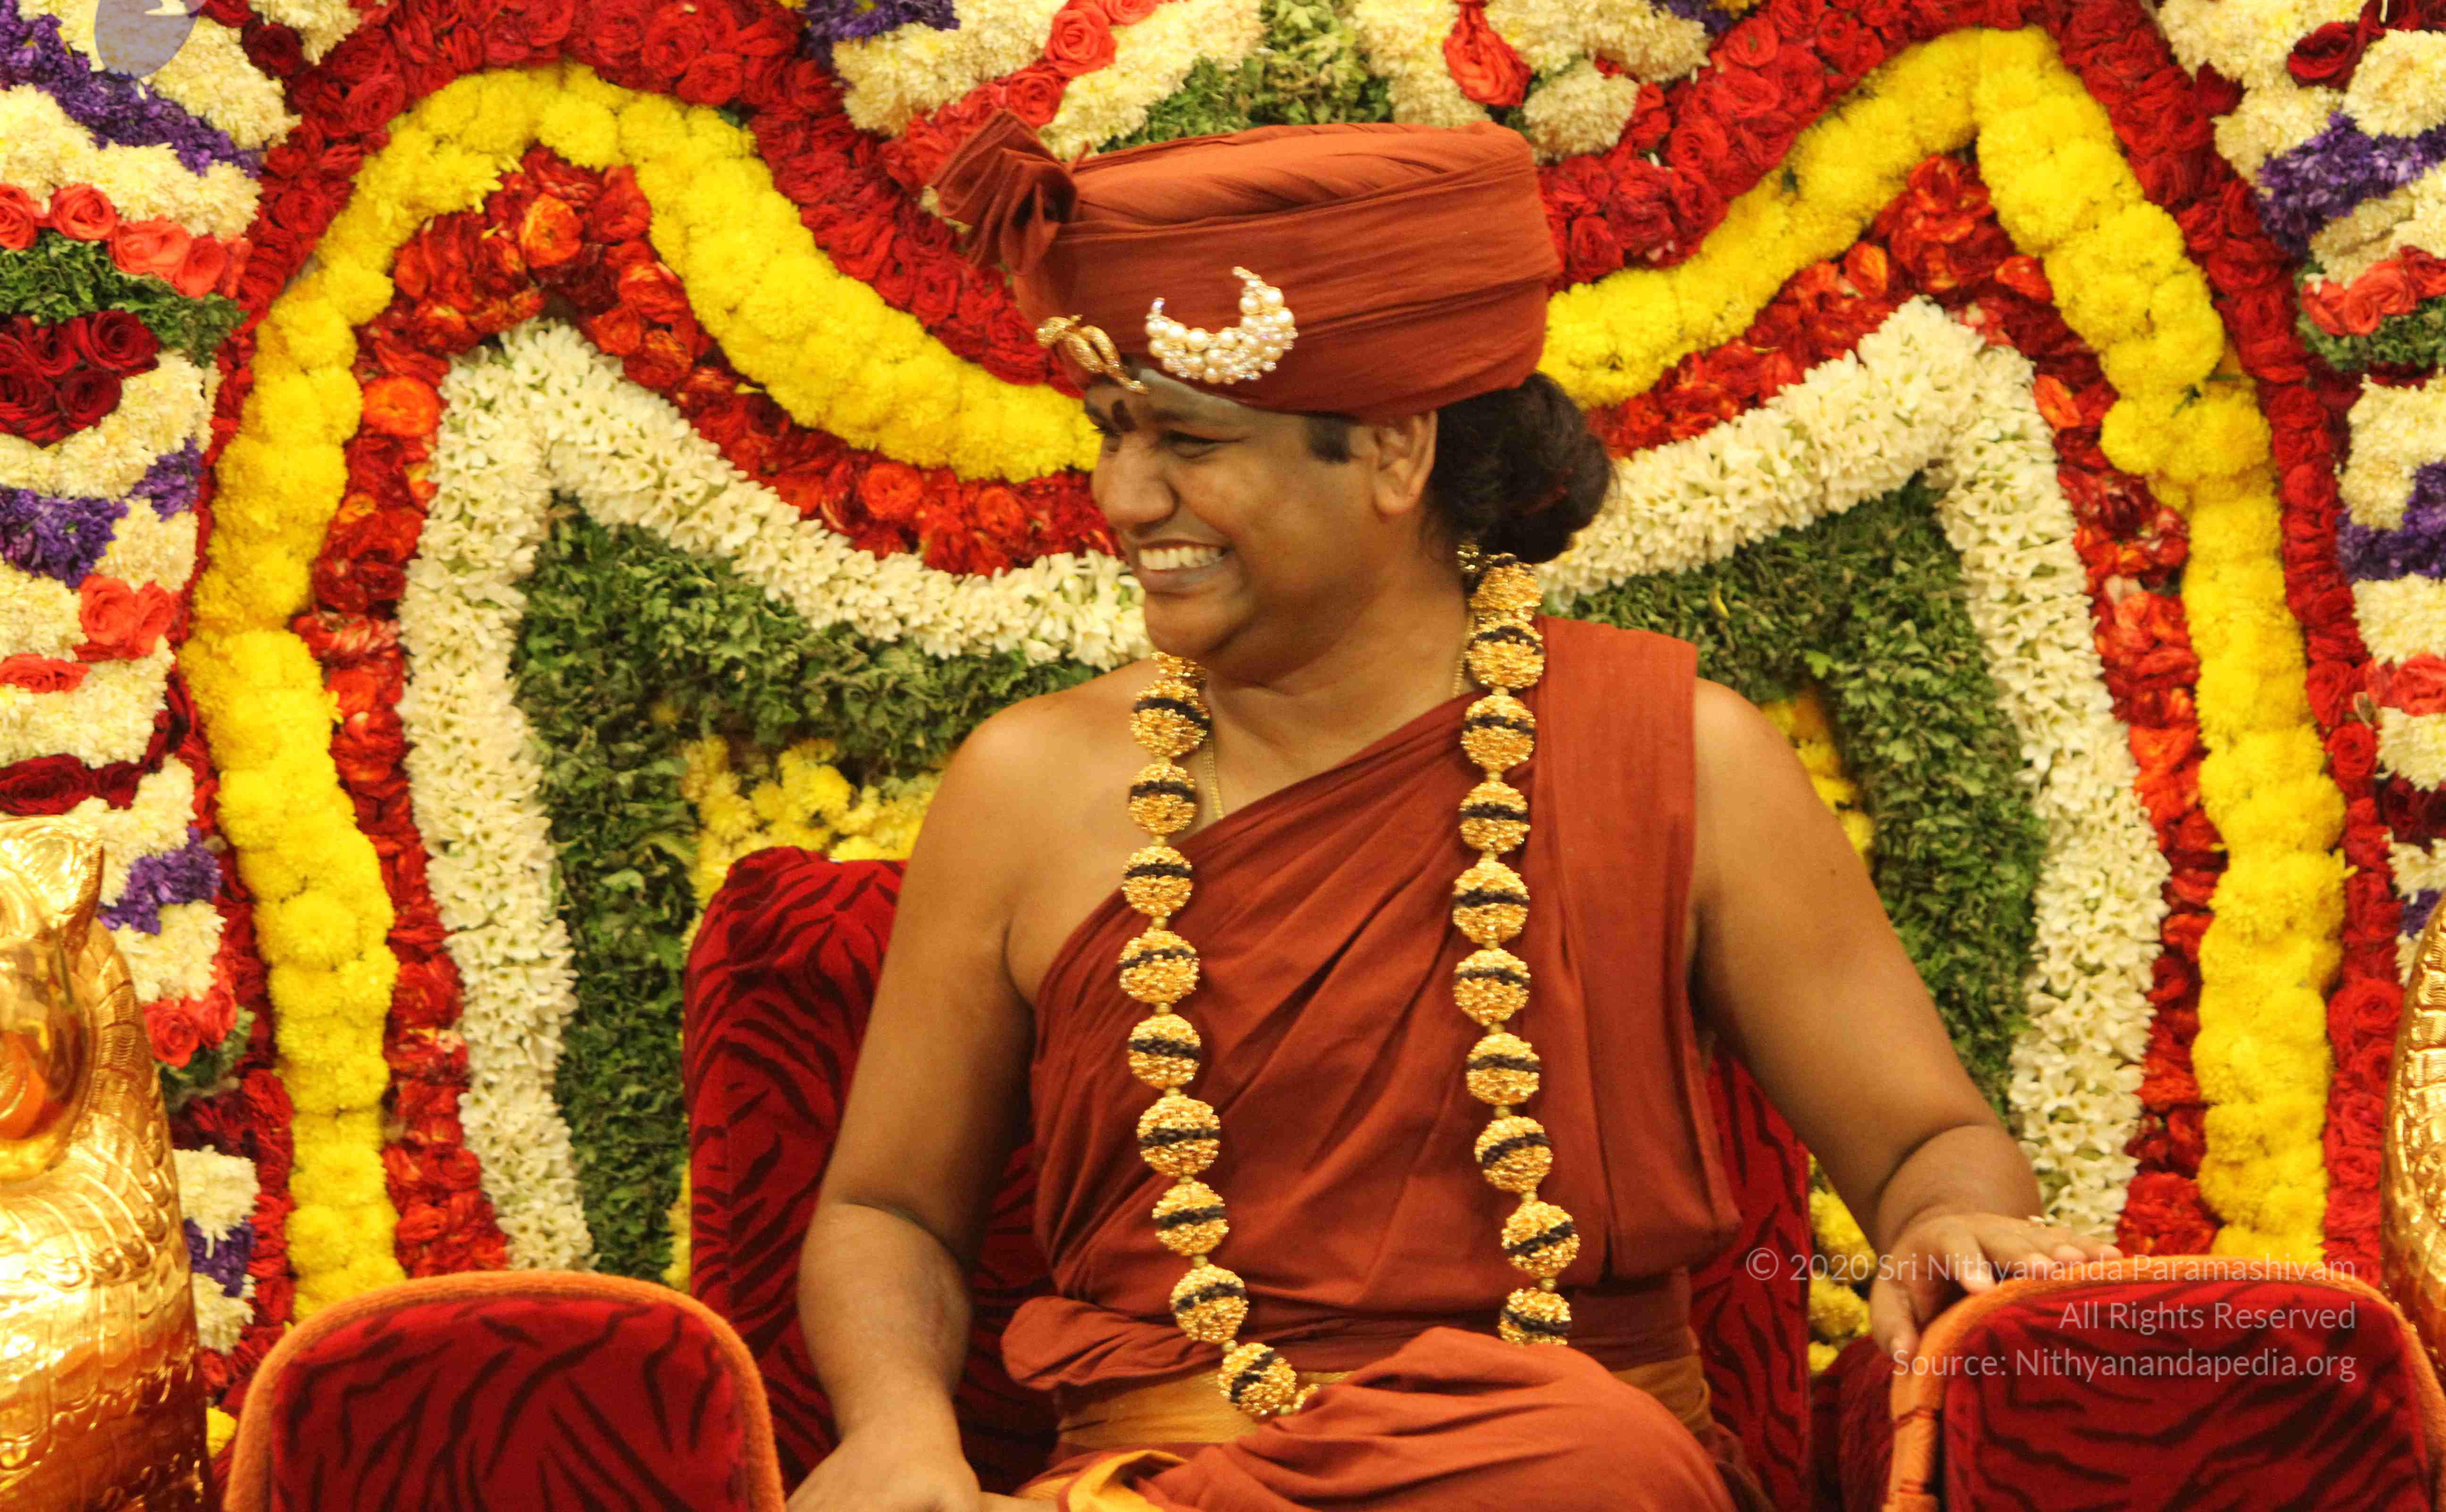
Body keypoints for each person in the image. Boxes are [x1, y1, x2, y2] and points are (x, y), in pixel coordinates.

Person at [785, 113, 2119, 1512]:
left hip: (1559, 1483)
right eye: (1113, 434)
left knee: (1575, 1456)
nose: (1124, 497)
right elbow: (888, 1210)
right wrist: (897, 1432)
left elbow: (1921, 1142)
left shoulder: (1684, 757)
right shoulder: (1026, 785)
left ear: (1393, 450)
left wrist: (1946, 1216)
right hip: (1161, 1483)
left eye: (1188, 439)